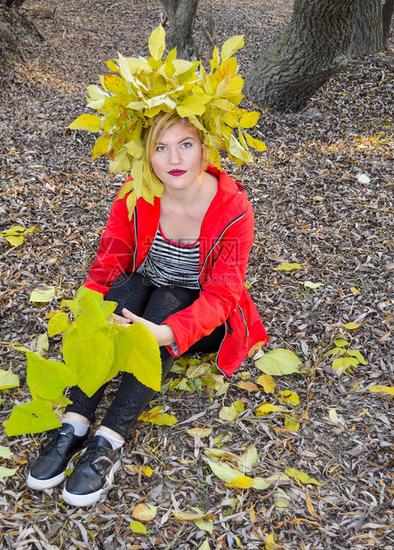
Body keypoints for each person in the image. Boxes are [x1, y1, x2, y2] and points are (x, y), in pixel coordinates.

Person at [26, 26, 268, 507]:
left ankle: (108, 441)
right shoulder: (136, 195)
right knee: (131, 287)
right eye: (161, 146)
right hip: (144, 292)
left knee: (162, 299)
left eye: (185, 145)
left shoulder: (232, 207)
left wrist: (164, 334)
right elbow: (110, 259)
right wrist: (90, 312)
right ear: (144, 152)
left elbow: (222, 295)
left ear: (205, 146)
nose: (173, 159)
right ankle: (74, 423)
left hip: (195, 314)